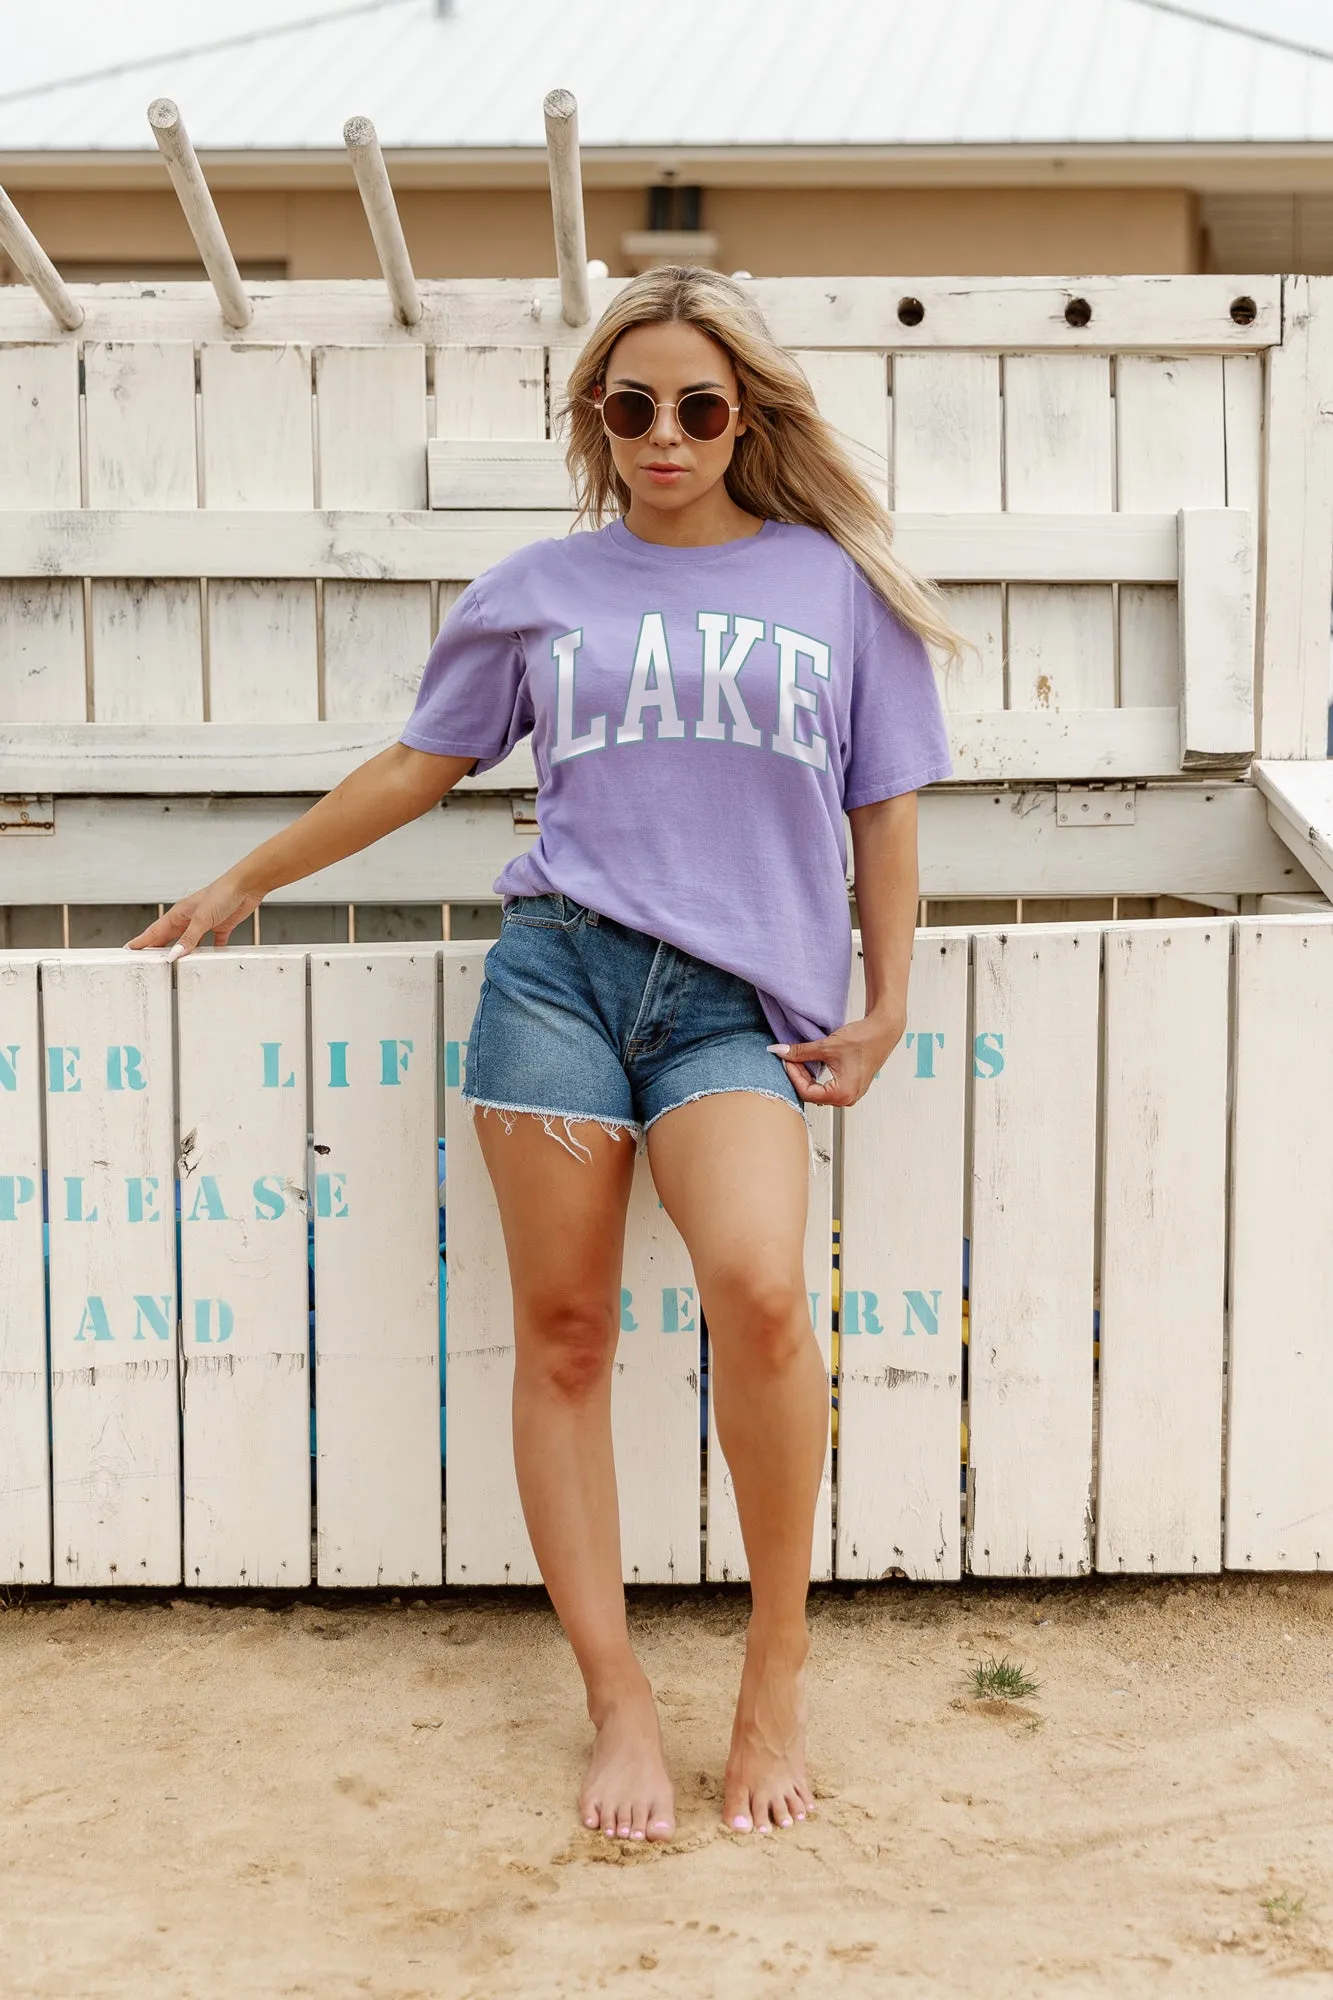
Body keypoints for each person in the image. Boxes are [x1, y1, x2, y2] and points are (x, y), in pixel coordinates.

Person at [127, 266, 959, 1844]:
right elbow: (419, 763)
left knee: (764, 1295)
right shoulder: (538, 590)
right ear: (596, 417)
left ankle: (774, 1666)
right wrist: (250, 874)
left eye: (699, 407)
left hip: (738, 1004)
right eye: (630, 404)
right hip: (557, 982)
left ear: (745, 419)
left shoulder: (832, 586)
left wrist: (888, 994)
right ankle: (619, 1698)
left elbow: (887, 803)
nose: (665, 433)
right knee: (567, 1336)